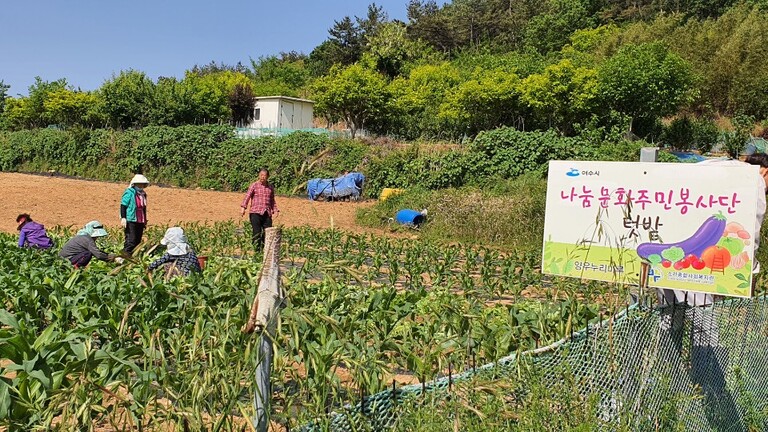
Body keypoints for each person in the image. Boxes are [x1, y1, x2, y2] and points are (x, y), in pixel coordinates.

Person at [240, 169, 279, 252]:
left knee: (267, 233)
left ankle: (264, 250)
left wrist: (275, 210)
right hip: (255, 212)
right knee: (257, 232)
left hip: (267, 213)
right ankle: (256, 250)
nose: (262, 177)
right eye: (261, 175)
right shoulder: (254, 185)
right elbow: (247, 196)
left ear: (268, 177)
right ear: (259, 175)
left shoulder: (270, 187)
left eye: (264, 175)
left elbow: (272, 200)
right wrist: (243, 207)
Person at [59, 221, 124, 268]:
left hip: (63, 259)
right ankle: (76, 268)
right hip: (67, 260)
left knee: (89, 252)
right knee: (88, 254)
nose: (97, 238)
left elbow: (97, 251)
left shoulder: (82, 236)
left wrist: (113, 256)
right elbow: (98, 255)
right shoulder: (87, 239)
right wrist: (114, 259)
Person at [120, 174, 149, 256]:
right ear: (134, 184)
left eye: (142, 184)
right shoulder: (129, 193)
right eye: (139, 184)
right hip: (131, 219)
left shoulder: (143, 194)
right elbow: (123, 205)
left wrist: (144, 220)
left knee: (137, 240)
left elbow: (143, 208)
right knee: (131, 240)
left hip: (140, 219)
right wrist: (123, 218)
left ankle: (133, 256)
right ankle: (125, 256)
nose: (141, 186)